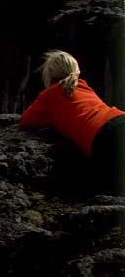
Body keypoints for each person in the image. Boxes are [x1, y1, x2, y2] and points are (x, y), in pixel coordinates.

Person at [21, 50, 125, 195]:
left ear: (49, 75)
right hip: (119, 119)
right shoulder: (84, 86)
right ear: (76, 71)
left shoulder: (49, 94)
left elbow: (26, 120)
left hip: (103, 135)